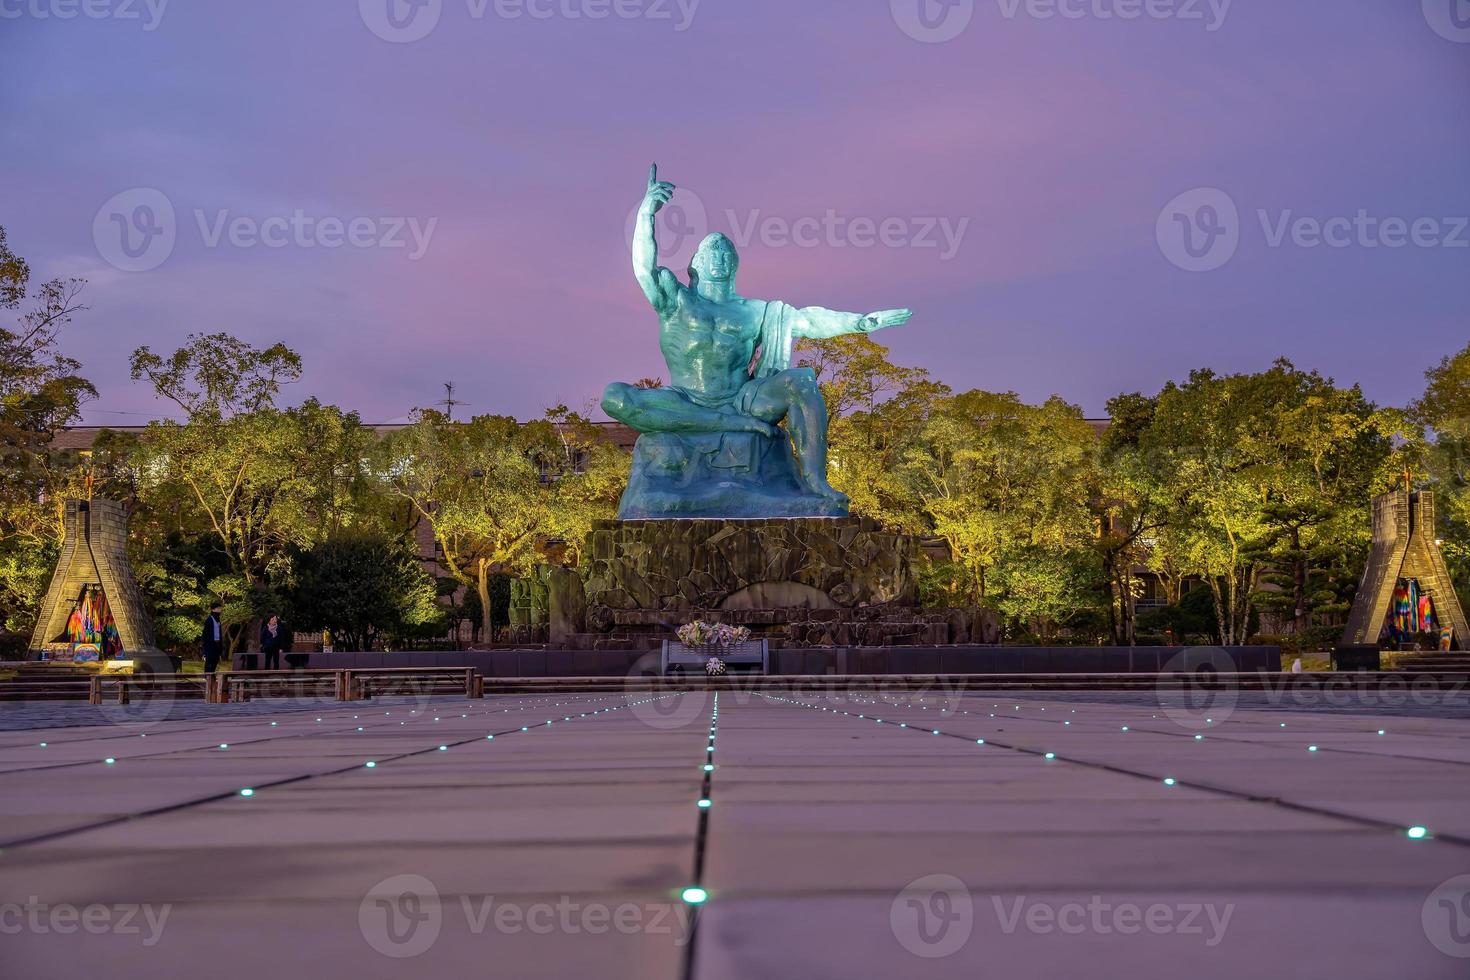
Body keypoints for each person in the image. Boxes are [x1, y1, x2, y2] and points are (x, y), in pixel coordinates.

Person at [201, 602, 225, 673]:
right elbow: (205, 633)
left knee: (215, 661)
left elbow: (219, 633)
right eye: (218, 608)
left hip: (217, 645)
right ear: (213, 609)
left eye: (220, 608)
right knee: (209, 662)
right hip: (210, 645)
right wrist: (205, 646)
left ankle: (212, 678)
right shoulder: (209, 619)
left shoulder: (218, 619)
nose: (220, 610)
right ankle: (207, 678)